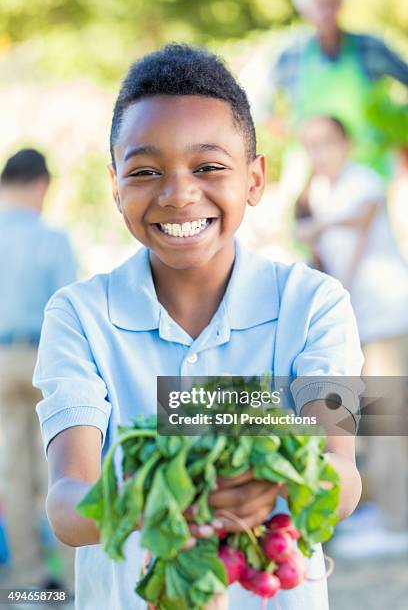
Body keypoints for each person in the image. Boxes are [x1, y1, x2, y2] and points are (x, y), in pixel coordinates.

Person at [33, 45, 364, 610]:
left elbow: (342, 476)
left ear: (256, 179)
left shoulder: (317, 303)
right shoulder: (77, 316)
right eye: (144, 171)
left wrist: (277, 481)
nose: (179, 193)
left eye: (209, 166)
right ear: (115, 186)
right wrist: (166, 504)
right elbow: (68, 504)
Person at [295, 115, 408, 556]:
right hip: (357, 319)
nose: (319, 153)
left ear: (345, 143)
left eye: (326, 143)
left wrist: (320, 230)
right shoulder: (320, 191)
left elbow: (360, 226)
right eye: (311, 145)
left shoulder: (361, 180)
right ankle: (380, 510)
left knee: (390, 420)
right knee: (365, 419)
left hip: (385, 314)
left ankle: (398, 521)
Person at [0, 149, 77, 588]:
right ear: (41, 185)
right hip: (43, 355)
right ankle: (71, 574)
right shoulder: (51, 238)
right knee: (60, 464)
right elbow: (68, 308)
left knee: (12, 468)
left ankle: (28, 580)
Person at [243, 0, 408, 178]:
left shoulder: (370, 47)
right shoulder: (290, 54)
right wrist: (297, 133)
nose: (325, 12)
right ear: (304, 9)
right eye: (319, 5)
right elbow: (256, 105)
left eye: (330, 3)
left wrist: (394, 131)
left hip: (368, 169)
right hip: (309, 170)